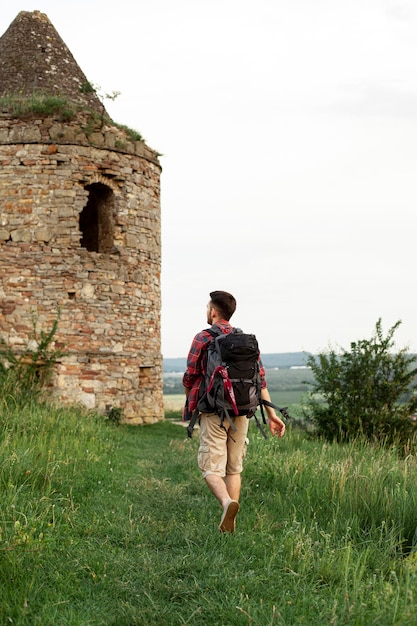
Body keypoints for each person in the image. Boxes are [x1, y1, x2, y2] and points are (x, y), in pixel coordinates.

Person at [183, 290, 286, 533]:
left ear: (213, 311)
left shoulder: (203, 338)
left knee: (210, 468)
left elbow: (190, 375)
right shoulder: (246, 340)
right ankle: (231, 523)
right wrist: (272, 415)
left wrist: (190, 401)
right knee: (233, 468)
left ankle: (227, 503)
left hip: (214, 411)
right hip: (242, 410)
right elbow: (260, 379)